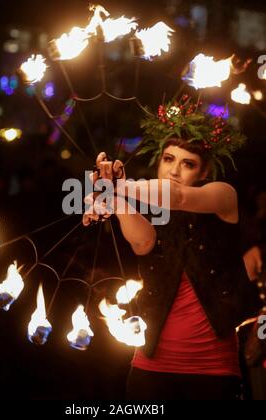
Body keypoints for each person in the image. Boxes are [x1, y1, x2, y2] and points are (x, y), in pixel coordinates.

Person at [83, 96, 261, 400]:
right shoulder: (152, 209)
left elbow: (177, 196)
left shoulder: (222, 196)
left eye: (187, 164)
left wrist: (119, 188)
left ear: (204, 173)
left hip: (212, 373)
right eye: (168, 159)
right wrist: (110, 194)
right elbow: (142, 242)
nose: (174, 171)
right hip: (150, 371)